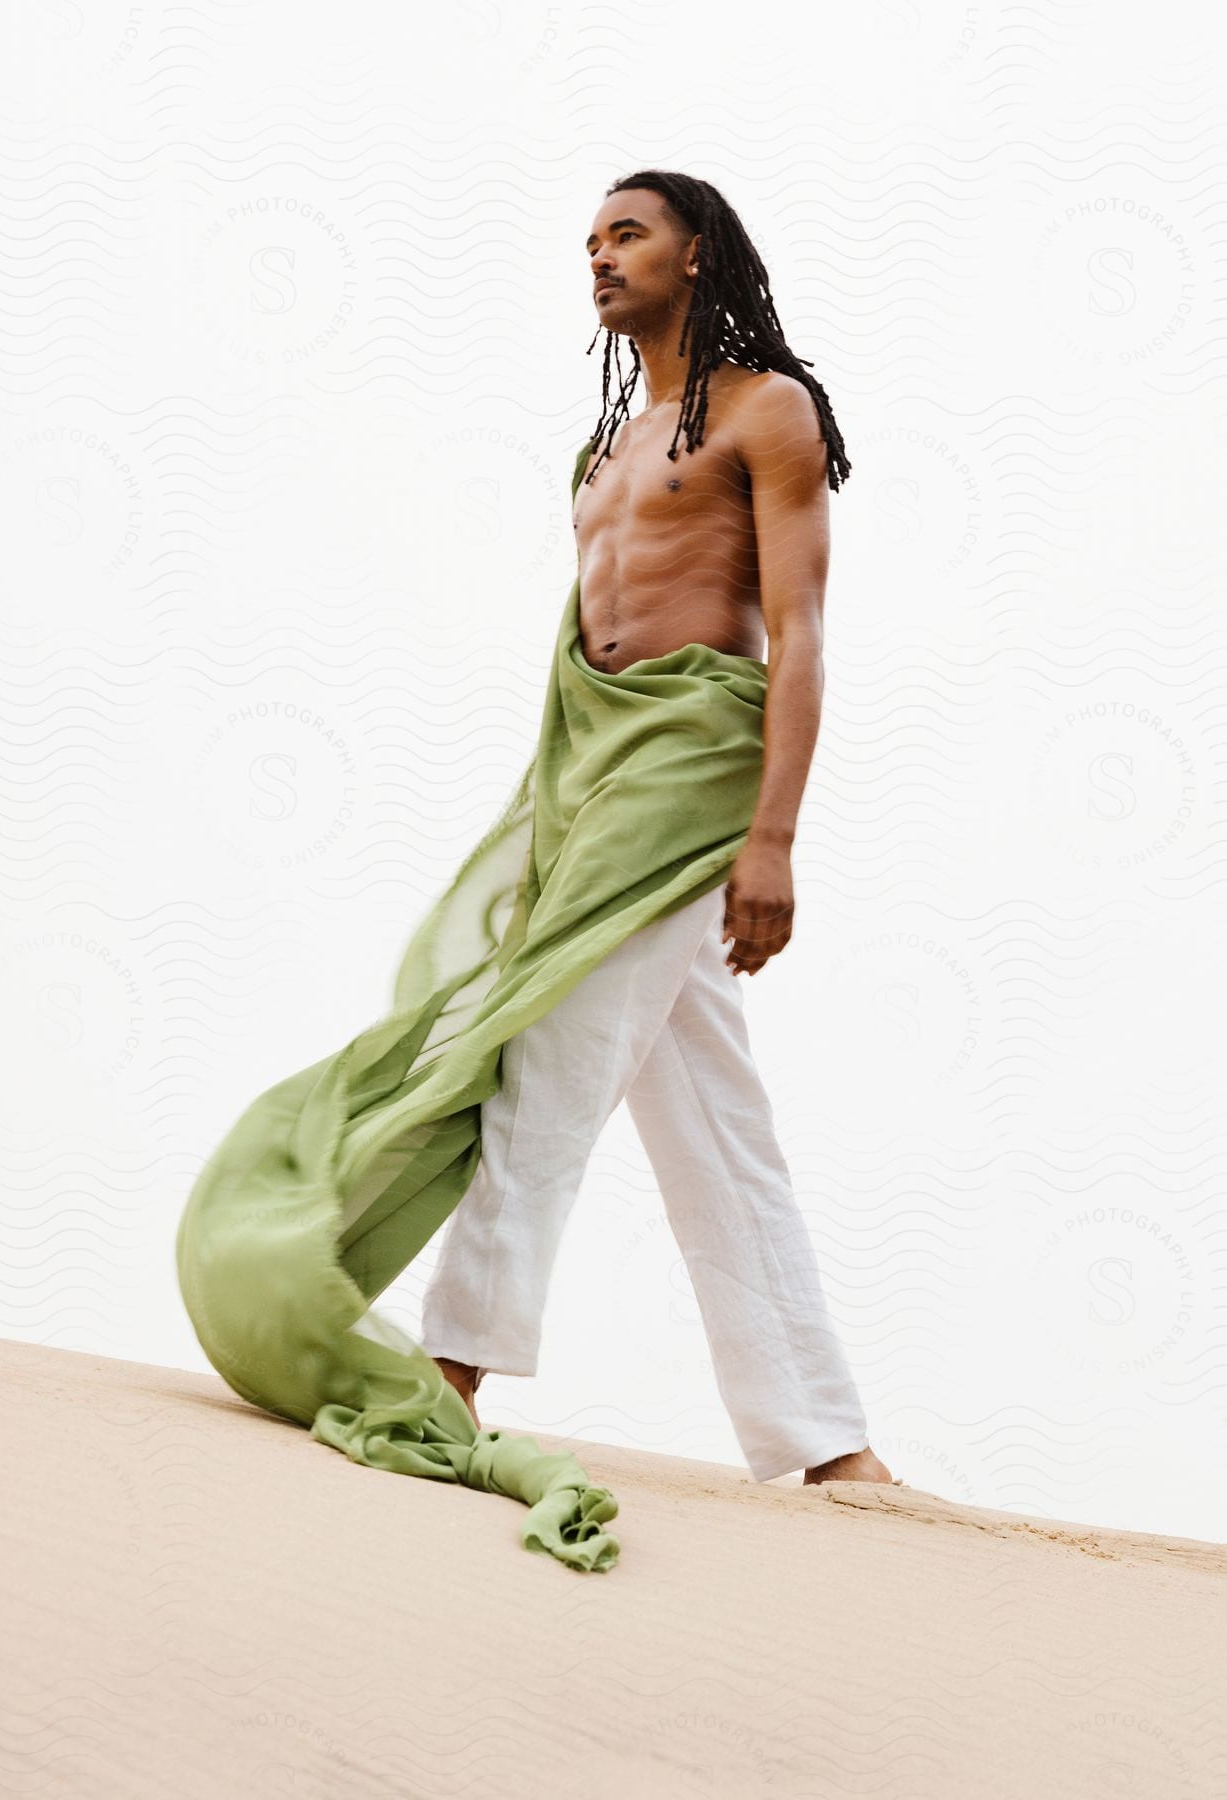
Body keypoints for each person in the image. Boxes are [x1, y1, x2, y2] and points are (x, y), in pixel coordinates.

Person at [420, 169, 896, 1488]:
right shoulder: (607, 447)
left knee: (554, 1055)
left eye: (626, 232)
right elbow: (586, 651)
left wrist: (772, 839)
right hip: (603, 785)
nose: (599, 256)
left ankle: (447, 1374)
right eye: (587, 241)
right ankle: (825, 1442)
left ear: (698, 255)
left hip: (693, 779)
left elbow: (798, 632)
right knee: (715, 1126)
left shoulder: (766, 411)